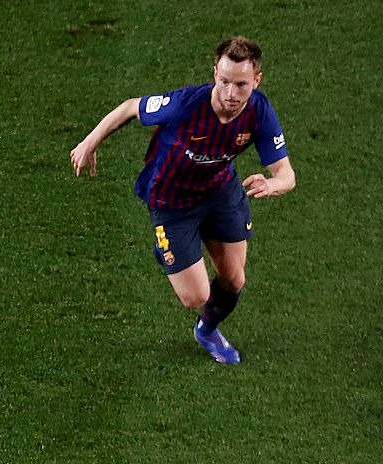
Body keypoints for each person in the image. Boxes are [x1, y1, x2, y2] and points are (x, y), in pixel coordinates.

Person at [70, 36, 296, 365]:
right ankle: (169, 248)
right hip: (172, 201)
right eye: (224, 82)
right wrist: (90, 141)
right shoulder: (187, 104)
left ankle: (207, 330)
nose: (231, 94)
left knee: (234, 279)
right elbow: (132, 107)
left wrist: (274, 184)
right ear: (214, 74)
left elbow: (287, 174)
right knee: (195, 296)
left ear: (256, 81)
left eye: (242, 85)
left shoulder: (259, 111)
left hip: (220, 193)